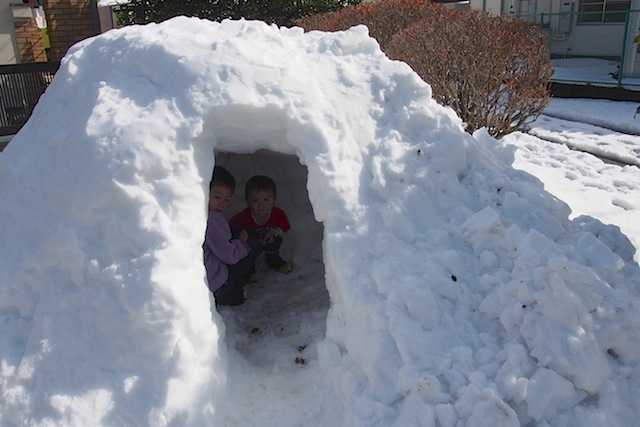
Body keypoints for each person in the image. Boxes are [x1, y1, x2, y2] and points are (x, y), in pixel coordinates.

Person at [203, 166, 261, 306]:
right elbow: (230, 256)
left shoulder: (205, 214)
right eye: (217, 197)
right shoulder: (213, 219)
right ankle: (228, 293)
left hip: (211, 277)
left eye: (226, 200)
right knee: (254, 243)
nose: (221, 203)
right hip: (216, 285)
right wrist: (242, 241)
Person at [230, 175, 292, 281]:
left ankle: (273, 259)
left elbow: (285, 227)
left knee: (276, 240)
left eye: (266, 200)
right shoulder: (242, 218)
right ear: (247, 201)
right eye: (255, 200)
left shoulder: (278, 215)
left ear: (274, 200)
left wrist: (274, 232)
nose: (261, 205)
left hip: (268, 240)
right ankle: (249, 267)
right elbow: (232, 229)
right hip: (252, 245)